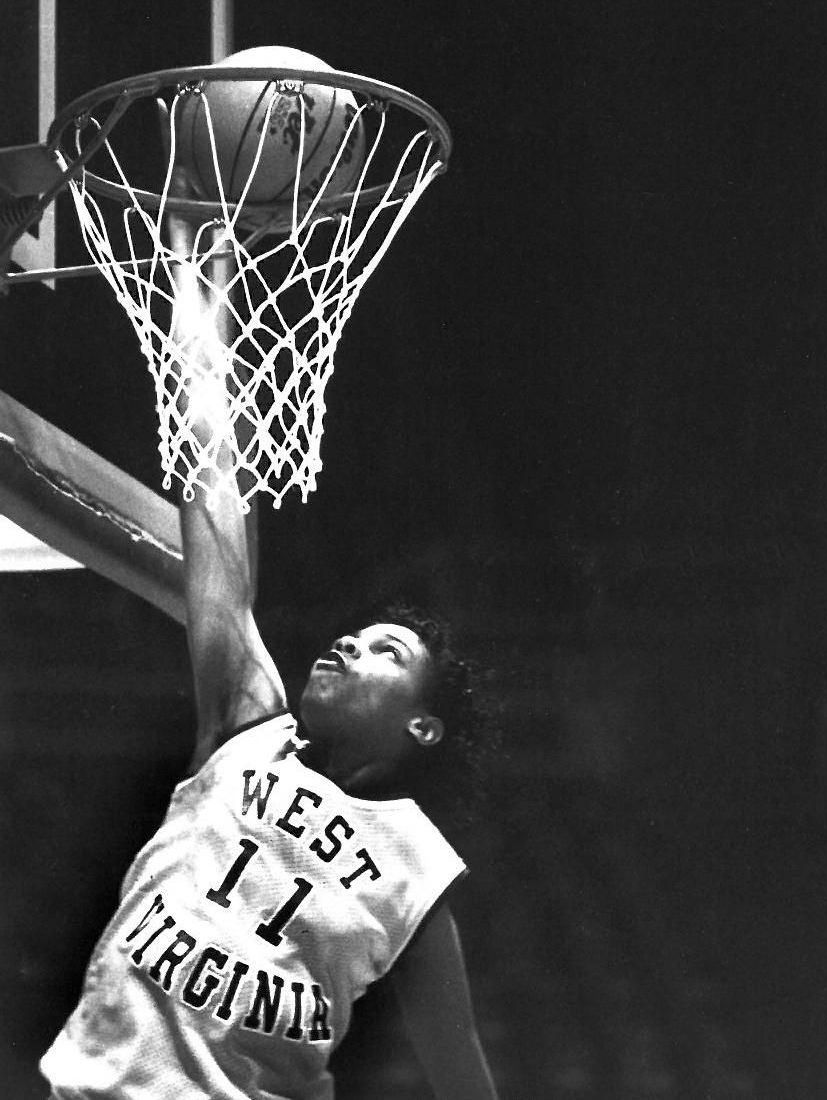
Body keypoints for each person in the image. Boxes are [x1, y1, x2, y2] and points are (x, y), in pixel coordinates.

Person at [39, 193, 499, 1100]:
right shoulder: (251, 721)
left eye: (386, 653)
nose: (350, 643)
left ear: (422, 730)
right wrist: (196, 288)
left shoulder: (418, 868)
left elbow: (463, 1074)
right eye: (359, 633)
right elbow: (211, 495)